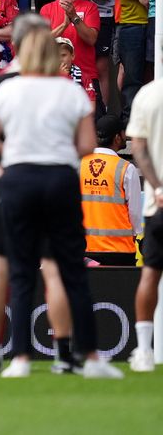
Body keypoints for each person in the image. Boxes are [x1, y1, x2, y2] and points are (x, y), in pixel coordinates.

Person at [0, 28, 123, 379]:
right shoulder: (71, 92)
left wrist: (16, 154)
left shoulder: (8, 90)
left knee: (22, 271)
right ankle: (86, 357)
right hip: (59, 179)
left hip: (19, 179)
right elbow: (87, 144)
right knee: (70, 270)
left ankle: (21, 358)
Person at [127, 76, 163, 372]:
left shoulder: (147, 95)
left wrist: (158, 187)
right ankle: (142, 350)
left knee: (150, 274)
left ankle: (143, 351)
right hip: (157, 204)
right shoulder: (148, 95)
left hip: (158, 204)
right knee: (150, 275)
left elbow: (138, 148)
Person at [79, 116, 143, 267]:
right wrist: (135, 233)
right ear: (117, 137)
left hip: (84, 249)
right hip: (119, 252)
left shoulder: (79, 164)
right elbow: (134, 213)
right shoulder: (126, 168)